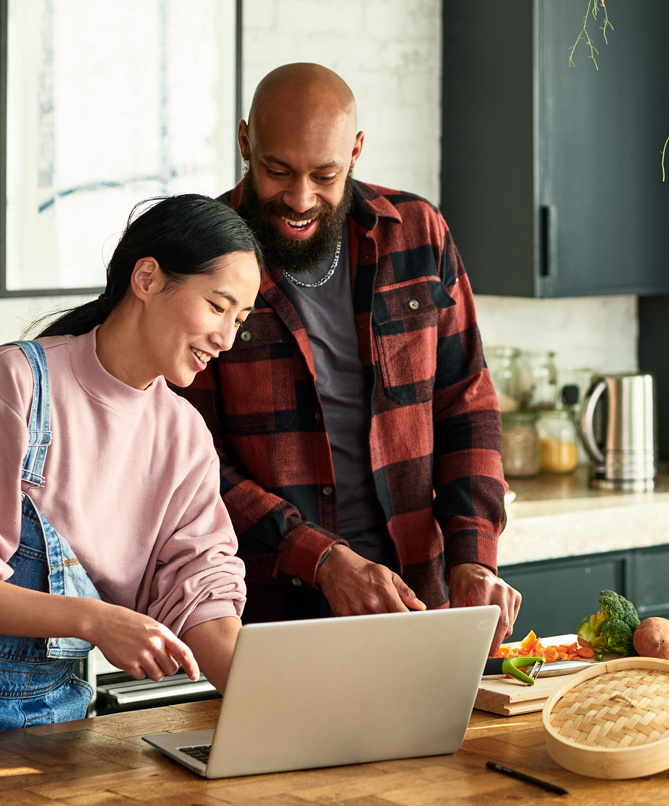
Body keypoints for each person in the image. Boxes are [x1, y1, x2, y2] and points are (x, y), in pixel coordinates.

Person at [0, 194, 263, 754]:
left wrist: (274, 709)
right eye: (217, 306)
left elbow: (202, 592)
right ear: (149, 279)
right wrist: (96, 621)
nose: (226, 338)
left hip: (55, 719)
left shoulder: (184, 438)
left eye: (240, 319)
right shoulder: (16, 383)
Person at [176, 63, 521, 654]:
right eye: (276, 170)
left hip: (416, 596)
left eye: (325, 174)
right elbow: (191, 457)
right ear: (244, 143)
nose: (300, 198)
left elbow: (466, 404)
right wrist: (324, 560)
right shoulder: (202, 258)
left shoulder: (417, 235)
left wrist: (473, 559)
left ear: (356, 151)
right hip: (268, 612)